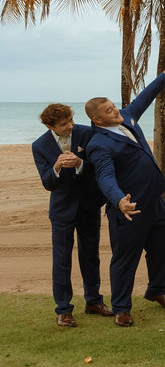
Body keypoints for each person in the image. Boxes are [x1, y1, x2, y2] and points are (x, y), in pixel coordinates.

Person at [85, 60, 165, 327]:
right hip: (130, 207)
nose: (115, 110)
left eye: (113, 106)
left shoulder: (127, 116)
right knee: (125, 258)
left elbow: (145, 97)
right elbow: (105, 176)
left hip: (155, 199)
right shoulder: (98, 144)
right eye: (108, 110)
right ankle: (121, 307)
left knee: (160, 248)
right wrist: (119, 200)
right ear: (97, 119)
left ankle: (158, 290)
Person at [31, 103, 111, 326]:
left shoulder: (86, 133)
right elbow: (47, 183)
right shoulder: (39, 146)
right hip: (61, 210)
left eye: (70, 120)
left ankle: (94, 301)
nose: (70, 126)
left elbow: (101, 166)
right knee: (61, 260)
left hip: (89, 205)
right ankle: (64, 310)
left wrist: (81, 164)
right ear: (50, 126)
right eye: (64, 124)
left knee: (90, 256)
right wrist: (56, 166)